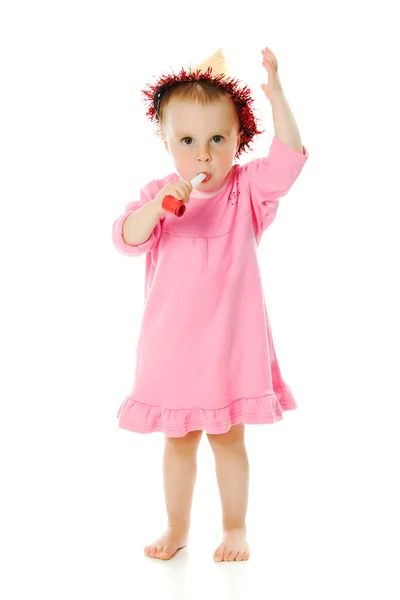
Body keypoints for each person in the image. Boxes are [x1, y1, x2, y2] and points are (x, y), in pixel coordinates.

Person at [112, 47, 309, 562]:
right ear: (167, 142)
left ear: (240, 140)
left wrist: (278, 96)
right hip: (172, 346)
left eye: (218, 140)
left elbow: (289, 162)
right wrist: (156, 208)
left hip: (228, 346)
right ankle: (176, 526)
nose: (204, 155)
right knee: (177, 443)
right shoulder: (159, 194)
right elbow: (126, 238)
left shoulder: (246, 193)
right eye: (188, 141)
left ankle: (235, 527)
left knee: (226, 440)